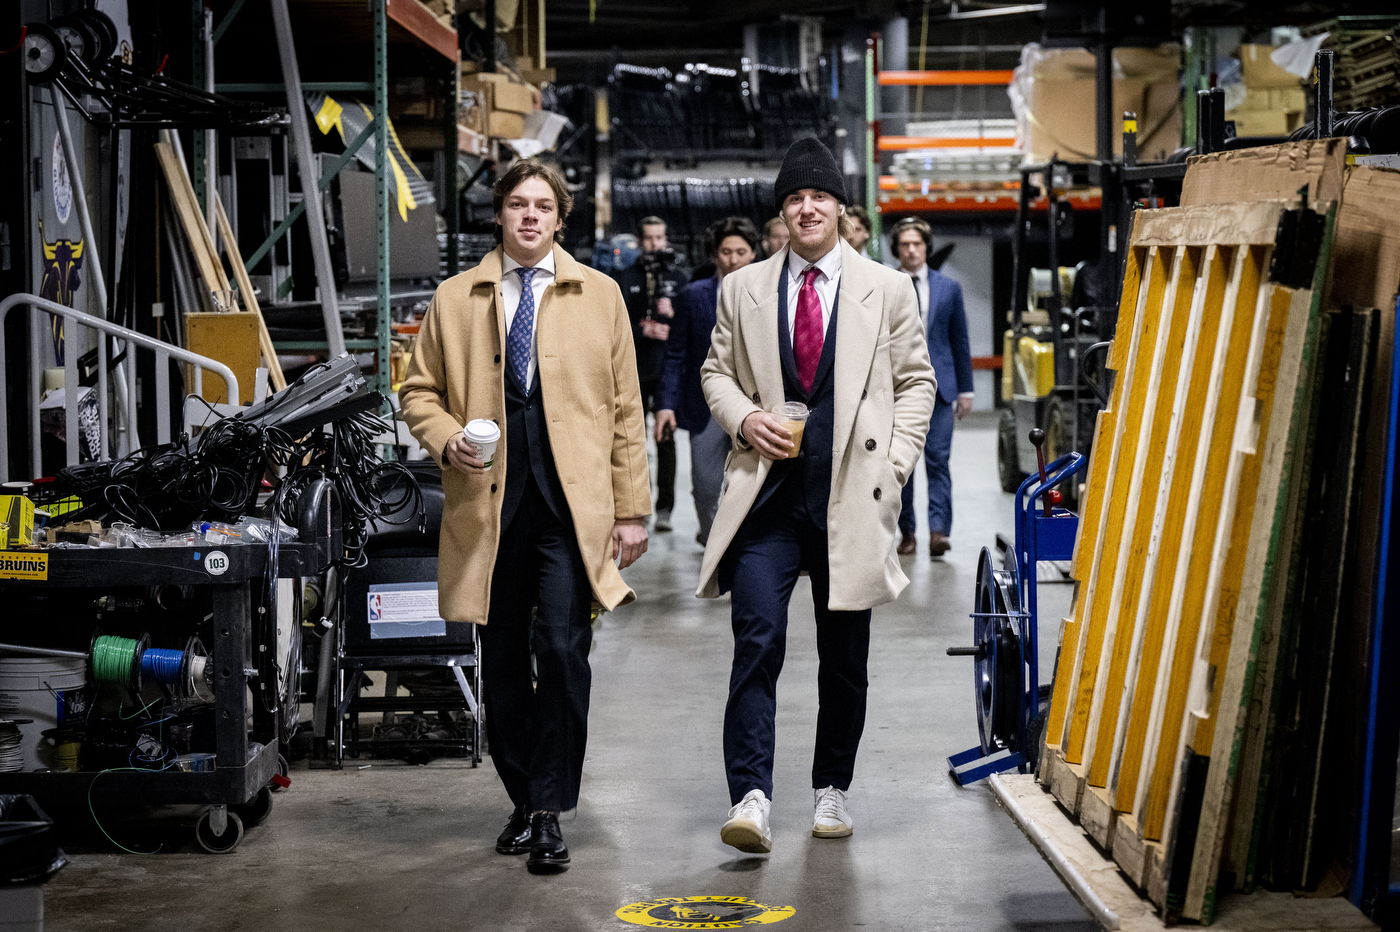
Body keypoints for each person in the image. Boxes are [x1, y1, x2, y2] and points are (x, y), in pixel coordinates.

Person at [399, 158, 651, 874]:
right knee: (500, 657)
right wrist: (445, 435)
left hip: (571, 509)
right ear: (499, 216)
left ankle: (547, 810)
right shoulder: (455, 298)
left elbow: (627, 409)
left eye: (543, 205)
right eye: (517, 204)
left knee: (566, 652)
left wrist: (631, 511)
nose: (530, 216)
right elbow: (418, 392)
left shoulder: (600, 295)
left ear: (561, 219)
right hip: (488, 505)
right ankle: (524, 795)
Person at [696, 138, 936, 853]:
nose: (807, 207)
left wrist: (893, 465)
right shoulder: (743, 289)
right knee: (757, 643)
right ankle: (751, 797)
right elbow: (716, 371)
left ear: (839, 208)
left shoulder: (886, 288)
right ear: (783, 213)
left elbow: (918, 382)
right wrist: (744, 417)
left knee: (844, 658)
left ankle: (832, 789)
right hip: (766, 503)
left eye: (820, 196)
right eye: (795, 198)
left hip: (850, 498)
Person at [655, 217, 761, 545]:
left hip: (755, 404)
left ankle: (744, 552)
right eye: (726, 251)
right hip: (705, 406)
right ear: (715, 255)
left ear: (753, 254)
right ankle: (716, 543)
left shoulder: (768, 294)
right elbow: (676, 354)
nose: (733, 259)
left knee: (753, 485)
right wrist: (665, 405)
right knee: (704, 484)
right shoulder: (693, 295)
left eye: (740, 251)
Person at [889, 216, 974, 557]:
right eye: (905, 245)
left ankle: (939, 532)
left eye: (917, 244)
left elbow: (960, 340)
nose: (912, 250)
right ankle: (906, 533)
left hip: (940, 389)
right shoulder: (887, 284)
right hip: (897, 388)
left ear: (927, 248)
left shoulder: (948, 288)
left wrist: (965, 390)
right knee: (901, 464)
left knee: (938, 460)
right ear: (898, 249)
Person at [612, 216, 689, 533]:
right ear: (640, 241)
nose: (655, 244)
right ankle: (634, 505)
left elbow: (689, 328)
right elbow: (614, 327)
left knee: (666, 438)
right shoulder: (623, 277)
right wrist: (642, 329)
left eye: (660, 237)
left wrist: (673, 314)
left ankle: (665, 508)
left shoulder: (678, 278)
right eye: (649, 238)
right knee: (632, 440)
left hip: (667, 370)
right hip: (634, 369)